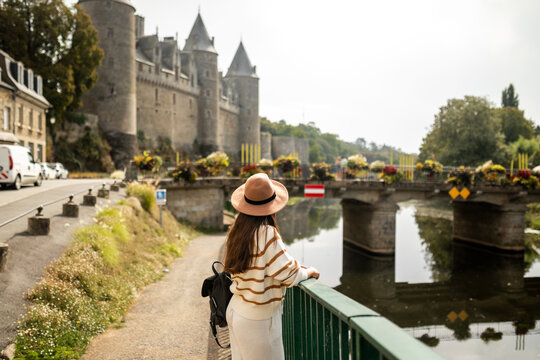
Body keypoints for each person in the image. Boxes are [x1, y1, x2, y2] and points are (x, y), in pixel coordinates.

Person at [224, 173, 319, 360]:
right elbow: (288, 274)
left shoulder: (238, 230)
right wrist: (308, 272)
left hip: (236, 310)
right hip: (257, 320)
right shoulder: (266, 233)